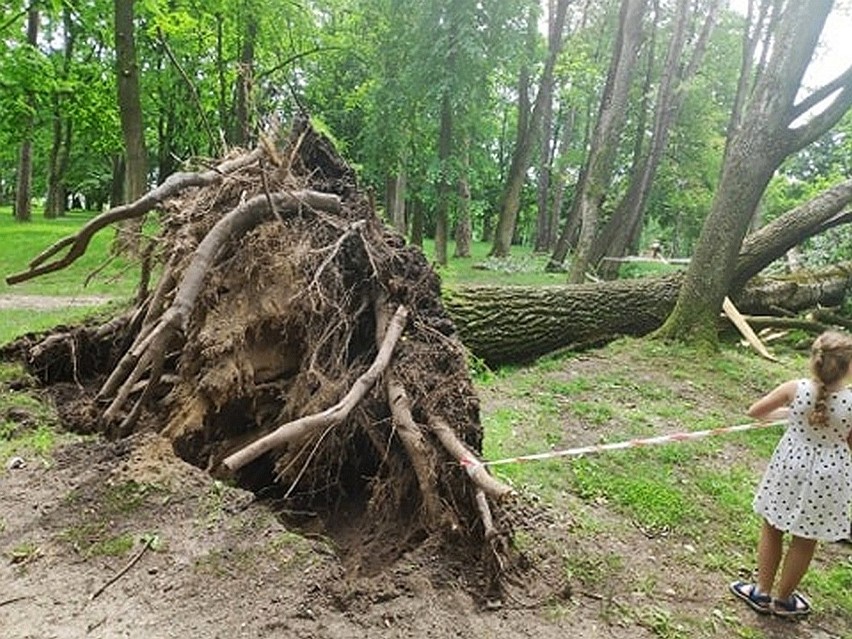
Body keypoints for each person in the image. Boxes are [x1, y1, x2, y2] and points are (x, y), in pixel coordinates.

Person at [730, 330, 852, 617]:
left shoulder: (793, 388)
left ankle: (761, 592)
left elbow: (755, 412)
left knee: (772, 527)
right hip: (830, 476)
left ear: (814, 360)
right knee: (806, 538)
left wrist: (790, 415)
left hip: (790, 466)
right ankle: (784, 601)